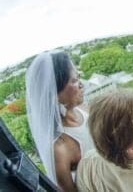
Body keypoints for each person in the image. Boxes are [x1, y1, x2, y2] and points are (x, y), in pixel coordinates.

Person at [26, 51, 94, 191]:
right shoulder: (59, 147)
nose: (81, 84)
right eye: (74, 81)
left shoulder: (84, 108)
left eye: (78, 77)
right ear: (54, 94)